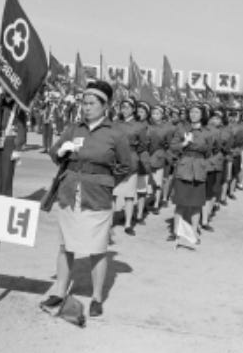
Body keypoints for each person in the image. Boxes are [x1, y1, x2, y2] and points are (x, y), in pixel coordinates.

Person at [39, 81, 133, 317]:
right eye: (84, 102)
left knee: (97, 249)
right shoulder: (74, 128)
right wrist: (60, 152)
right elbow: (54, 152)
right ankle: (60, 291)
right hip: (70, 192)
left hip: (97, 195)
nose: (86, 107)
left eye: (92, 103)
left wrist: (105, 181)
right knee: (65, 245)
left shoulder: (115, 134)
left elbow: (126, 165)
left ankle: (97, 296)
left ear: (105, 106)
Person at [169, 102, 211, 245]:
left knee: (196, 203)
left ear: (202, 115)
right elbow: (173, 146)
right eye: (191, 112)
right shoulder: (181, 129)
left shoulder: (207, 132)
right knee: (180, 202)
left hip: (199, 169)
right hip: (184, 167)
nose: (193, 115)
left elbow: (210, 150)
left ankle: (193, 232)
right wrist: (184, 144)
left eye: (197, 112)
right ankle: (176, 232)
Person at [113, 97, 149, 235]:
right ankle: (110, 222)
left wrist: (131, 153)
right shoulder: (115, 123)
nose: (125, 110)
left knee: (129, 196)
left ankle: (128, 224)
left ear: (134, 109)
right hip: (115, 162)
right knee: (113, 194)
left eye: (128, 107)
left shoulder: (139, 126)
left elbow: (143, 145)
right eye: (123, 107)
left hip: (131, 161)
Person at [0, 88, 23, 196]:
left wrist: (18, 148)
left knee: (7, 174)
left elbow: (22, 127)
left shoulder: (18, 105)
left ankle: (6, 199)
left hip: (9, 140)